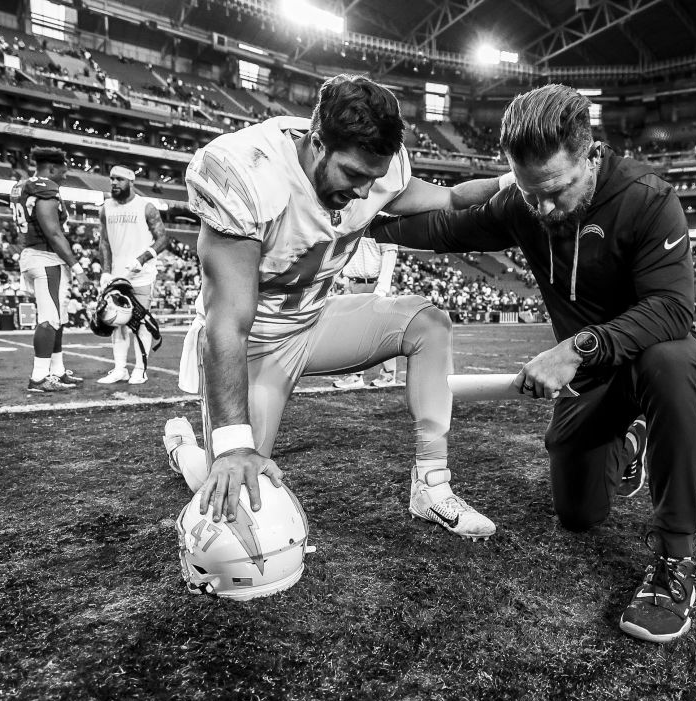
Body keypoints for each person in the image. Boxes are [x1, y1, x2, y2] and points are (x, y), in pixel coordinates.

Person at [368, 84, 696, 643]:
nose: (544, 208)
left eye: (556, 189)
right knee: (578, 515)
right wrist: (352, 215)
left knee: (672, 363)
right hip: (592, 383)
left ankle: (676, 562)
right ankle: (628, 446)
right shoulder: (523, 204)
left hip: (641, 357)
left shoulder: (649, 199)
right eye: (530, 194)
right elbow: (443, 229)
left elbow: (672, 310)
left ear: (590, 153)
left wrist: (577, 348)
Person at [160, 74, 510, 543]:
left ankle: (431, 486)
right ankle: (187, 448)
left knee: (428, 324)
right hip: (257, 345)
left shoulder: (376, 172)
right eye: (353, 175)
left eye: (374, 178)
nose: (366, 193)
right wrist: (232, 446)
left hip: (316, 319)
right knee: (237, 487)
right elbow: (227, 325)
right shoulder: (248, 173)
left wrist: (513, 179)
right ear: (318, 142)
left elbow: (448, 197)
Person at [10, 146, 87, 393]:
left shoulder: (23, 185)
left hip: (36, 256)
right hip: (44, 258)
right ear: (51, 168)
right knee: (49, 318)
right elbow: (53, 232)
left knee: (58, 317)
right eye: (63, 171)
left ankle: (57, 371)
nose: (65, 176)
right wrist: (77, 267)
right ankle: (39, 377)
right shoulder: (44, 187)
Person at [96, 166, 170, 385]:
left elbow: (163, 239)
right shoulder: (105, 208)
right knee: (115, 321)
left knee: (140, 321)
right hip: (117, 275)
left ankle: (140, 368)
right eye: (111, 179)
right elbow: (104, 242)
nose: (114, 183)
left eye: (119, 179)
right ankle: (120, 369)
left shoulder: (146, 207)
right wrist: (106, 271)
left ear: (131, 181)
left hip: (142, 274)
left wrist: (143, 258)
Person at [331, 236, 401, 389]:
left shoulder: (383, 220)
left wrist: (381, 291)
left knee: (382, 332)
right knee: (352, 333)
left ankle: (389, 374)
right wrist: (343, 278)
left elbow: (389, 254)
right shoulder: (354, 216)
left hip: (374, 284)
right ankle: (355, 375)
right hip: (353, 283)